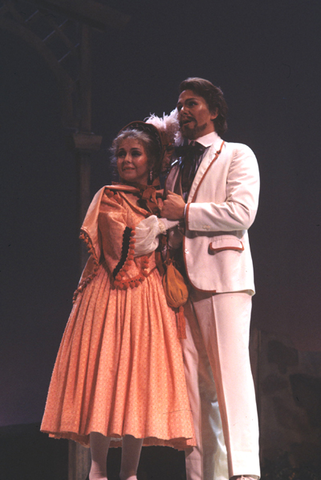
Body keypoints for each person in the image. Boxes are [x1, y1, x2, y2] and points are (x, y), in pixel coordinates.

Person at [40, 120, 195, 480]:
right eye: (122, 154)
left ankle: (129, 472)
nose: (127, 160)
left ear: (151, 159)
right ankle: (97, 469)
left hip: (148, 296)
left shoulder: (158, 198)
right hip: (111, 294)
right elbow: (123, 244)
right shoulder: (109, 195)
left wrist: (170, 217)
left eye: (135, 153)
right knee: (104, 372)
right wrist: (161, 224)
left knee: (138, 379)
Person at [160, 78, 261, 480]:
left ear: (214, 111)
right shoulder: (173, 166)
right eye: (180, 104)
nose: (183, 110)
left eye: (193, 103)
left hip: (223, 278)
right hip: (182, 285)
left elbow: (241, 213)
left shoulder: (236, 154)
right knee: (194, 389)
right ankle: (202, 474)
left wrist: (185, 212)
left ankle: (244, 472)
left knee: (230, 379)